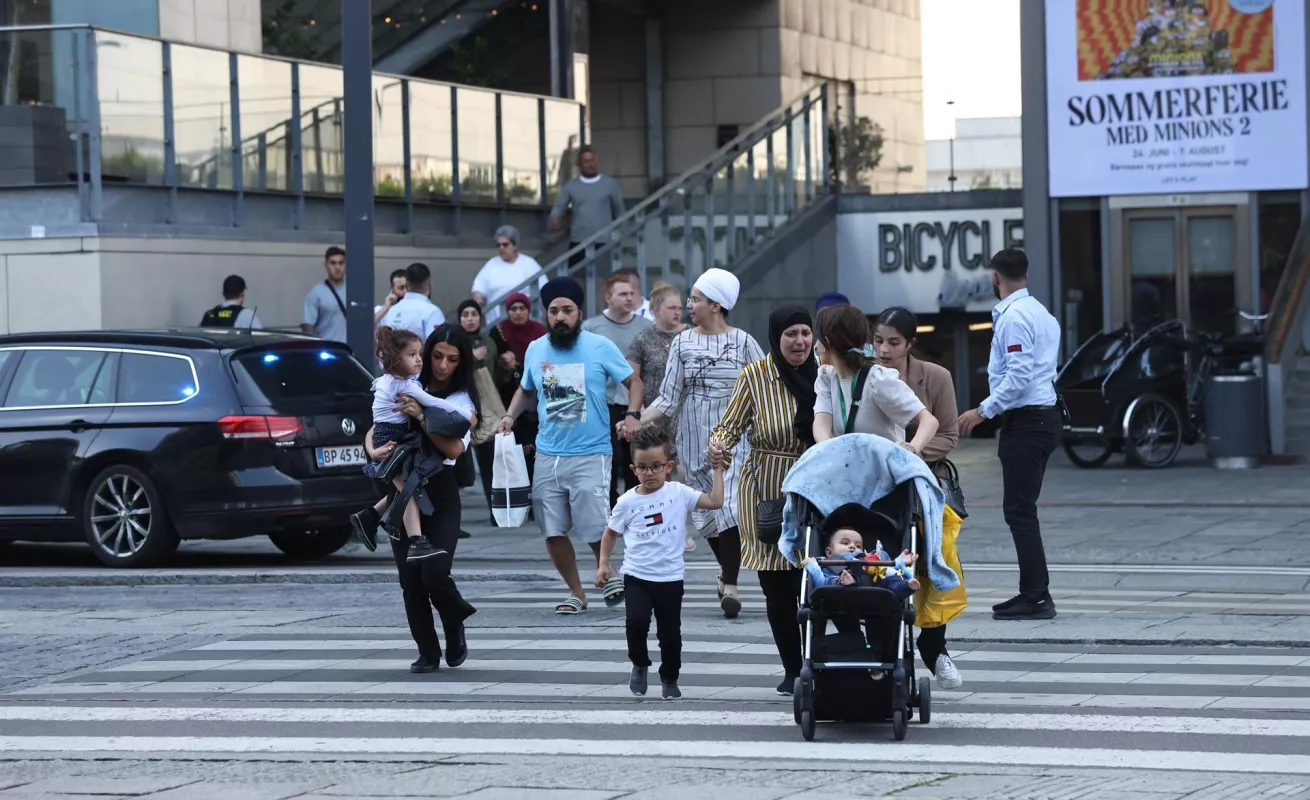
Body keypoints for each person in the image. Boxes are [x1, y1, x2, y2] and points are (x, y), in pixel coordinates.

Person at [497, 276, 644, 615]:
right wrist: (509, 416)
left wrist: (633, 414)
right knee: (551, 530)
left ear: (579, 312)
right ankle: (577, 592)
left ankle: (606, 571)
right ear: (546, 314)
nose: (560, 317)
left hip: (592, 452)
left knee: (594, 525)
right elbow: (526, 390)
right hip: (548, 454)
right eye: (553, 311)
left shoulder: (599, 346)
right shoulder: (536, 349)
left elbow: (633, 381)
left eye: (567, 310)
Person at [635, 269, 764, 619]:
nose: (689, 306)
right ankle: (726, 568)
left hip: (735, 438)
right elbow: (668, 397)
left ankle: (731, 585)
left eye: (695, 299)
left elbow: (763, 388)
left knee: (731, 507)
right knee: (705, 513)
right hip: (692, 438)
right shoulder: (683, 343)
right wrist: (637, 419)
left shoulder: (743, 342)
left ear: (716, 304)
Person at [708, 305, 817, 695]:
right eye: (791, 334)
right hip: (768, 492)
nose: (800, 342)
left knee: (817, 583)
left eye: (805, 333)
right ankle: (792, 668)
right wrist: (718, 447)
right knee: (777, 587)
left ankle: (820, 662)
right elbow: (728, 426)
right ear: (775, 337)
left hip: (817, 490)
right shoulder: (755, 375)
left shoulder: (826, 373)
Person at [362, 325, 480, 673]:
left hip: (439, 491)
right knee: (410, 579)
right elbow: (377, 425)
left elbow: (454, 449)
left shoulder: (461, 400)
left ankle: (454, 620)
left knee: (435, 572)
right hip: (401, 491)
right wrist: (372, 450)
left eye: (452, 359)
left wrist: (423, 416)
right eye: (437, 356)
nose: (442, 365)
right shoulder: (406, 379)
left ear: (462, 362)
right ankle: (427, 652)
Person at [958, 248, 1061, 622]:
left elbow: (1018, 376)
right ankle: (1034, 592)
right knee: (1021, 509)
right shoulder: (1041, 314)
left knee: (1019, 511)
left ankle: (1036, 596)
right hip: (1040, 419)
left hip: (1028, 423)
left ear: (995, 278)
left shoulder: (1014, 318)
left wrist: (982, 411)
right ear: (1026, 275)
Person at [873, 305, 966, 689]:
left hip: (923, 482)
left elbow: (949, 434)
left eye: (894, 342)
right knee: (881, 564)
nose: (884, 350)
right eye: (878, 341)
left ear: (910, 343)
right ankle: (882, 649)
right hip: (877, 485)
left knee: (935, 560)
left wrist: (911, 452)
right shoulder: (867, 376)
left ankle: (935, 646)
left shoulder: (936, 377)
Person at [595, 426, 725, 700]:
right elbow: (610, 532)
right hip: (637, 576)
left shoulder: (679, 492)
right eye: (643, 467)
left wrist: (717, 470)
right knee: (636, 623)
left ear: (668, 466)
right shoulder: (627, 502)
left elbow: (715, 501)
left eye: (656, 466)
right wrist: (604, 563)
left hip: (670, 578)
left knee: (670, 635)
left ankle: (670, 677)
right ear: (633, 469)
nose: (650, 473)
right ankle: (640, 663)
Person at [350, 327, 466, 561]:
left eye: (420, 354)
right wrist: (463, 414)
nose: (419, 360)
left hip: (388, 437)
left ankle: (371, 516)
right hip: (394, 440)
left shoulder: (388, 381)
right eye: (412, 355)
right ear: (395, 359)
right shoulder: (404, 386)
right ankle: (415, 540)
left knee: (414, 483)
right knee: (409, 489)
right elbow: (433, 402)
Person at [811, 304, 939, 453]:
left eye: (818, 338)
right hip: (847, 465)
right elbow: (821, 424)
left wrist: (913, 447)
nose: (816, 345)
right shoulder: (826, 377)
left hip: (884, 465)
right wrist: (832, 451)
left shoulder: (877, 379)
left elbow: (929, 421)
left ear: (826, 342)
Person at [625, 283, 690, 548]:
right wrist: (638, 411)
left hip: (686, 413)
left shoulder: (690, 335)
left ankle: (683, 527)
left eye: (680, 308)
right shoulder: (643, 339)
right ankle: (664, 527)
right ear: (655, 310)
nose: (677, 312)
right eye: (671, 308)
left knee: (685, 472)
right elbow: (632, 378)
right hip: (654, 413)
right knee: (661, 472)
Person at [585, 273, 653, 506]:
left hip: (637, 403)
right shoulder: (591, 327)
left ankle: (636, 505)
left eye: (632, 293)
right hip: (604, 403)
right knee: (610, 459)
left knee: (636, 459)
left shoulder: (646, 327)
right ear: (608, 297)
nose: (629, 298)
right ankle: (611, 508)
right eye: (622, 294)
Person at [489, 292, 547, 483]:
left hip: (536, 396)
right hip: (508, 397)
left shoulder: (540, 332)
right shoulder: (498, 333)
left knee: (534, 446)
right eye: (513, 309)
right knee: (515, 448)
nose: (518, 312)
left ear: (529, 310)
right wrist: (502, 363)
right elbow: (491, 364)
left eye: (522, 308)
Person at [458, 299, 505, 521]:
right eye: (465, 314)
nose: (470, 319)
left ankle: (497, 512)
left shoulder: (489, 342)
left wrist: (507, 367)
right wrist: (472, 358)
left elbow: (496, 376)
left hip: (486, 407)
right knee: (458, 465)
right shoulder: (454, 341)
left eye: (474, 314)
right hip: (460, 407)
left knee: (490, 463)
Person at [549, 146, 625, 266]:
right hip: (579, 240)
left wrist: (621, 233)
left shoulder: (609, 184)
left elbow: (619, 210)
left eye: (592, 160)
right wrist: (555, 217)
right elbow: (559, 206)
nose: (590, 164)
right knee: (576, 274)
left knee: (603, 275)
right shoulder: (571, 186)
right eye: (586, 161)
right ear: (579, 165)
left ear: (596, 161)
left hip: (603, 240)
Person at [801, 527, 919, 596]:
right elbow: (820, 582)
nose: (853, 546)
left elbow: (888, 569)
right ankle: (849, 581)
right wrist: (813, 566)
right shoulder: (827, 561)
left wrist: (899, 561)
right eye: (845, 543)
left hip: (873, 585)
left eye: (858, 546)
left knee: (892, 580)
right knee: (828, 581)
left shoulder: (869, 556)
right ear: (829, 552)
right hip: (839, 587)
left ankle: (907, 586)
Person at [471, 226, 547, 326]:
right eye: (498, 245)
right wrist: (478, 298)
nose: (501, 248)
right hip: (497, 326)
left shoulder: (529, 264)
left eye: (505, 244)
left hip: (525, 324)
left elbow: (545, 291)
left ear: (515, 245)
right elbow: (478, 288)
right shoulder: (491, 265)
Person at [380, 263, 446, 341]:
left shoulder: (391, 311)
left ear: (406, 285)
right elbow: (438, 344)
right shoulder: (432, 312)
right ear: (430, 285)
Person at [300, 246, 348, 342]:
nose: (337, 267)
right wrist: (315, 345)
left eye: (341, 263)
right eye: (333, 263)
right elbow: (307, 324)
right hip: (327, 347)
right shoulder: (316, 292)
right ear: (326, 265)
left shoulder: (354, 291)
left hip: (350, 349)